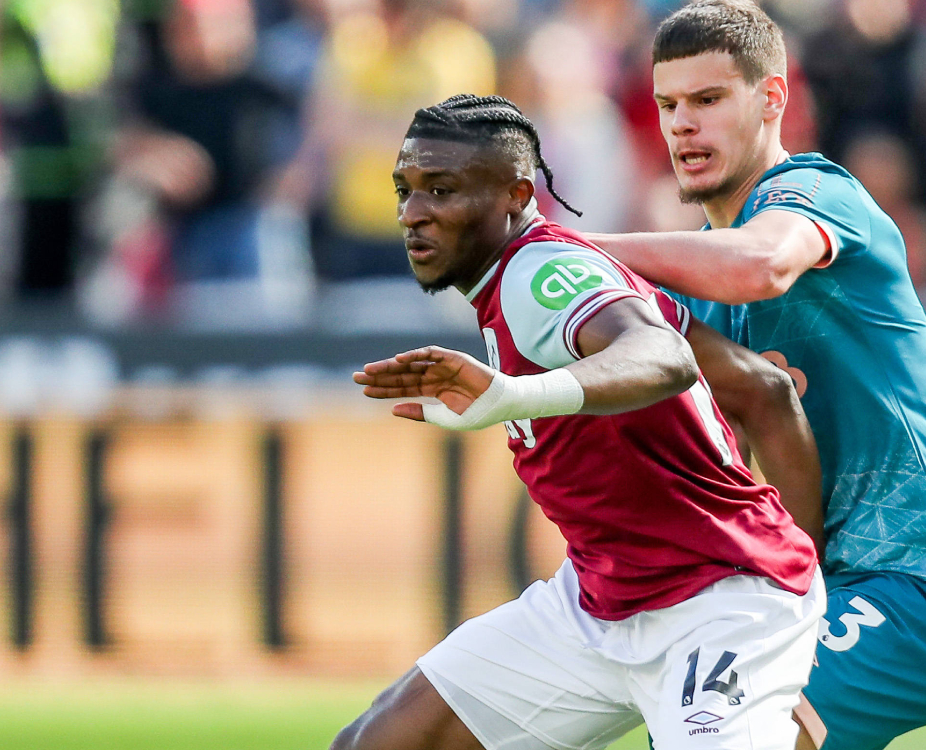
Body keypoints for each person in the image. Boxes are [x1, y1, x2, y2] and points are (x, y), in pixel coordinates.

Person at [587, 0, 926, 750]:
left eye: (708, 99)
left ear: (773, 99)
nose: (682, 124)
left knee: (728, 737)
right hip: (823, 586)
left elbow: (761, 263)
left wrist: (572, 247)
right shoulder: (698, 285)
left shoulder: (818, 194)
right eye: (668, 105)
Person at [340, 94, 826, 750]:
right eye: (406, 190)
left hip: (717, 603)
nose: (412, 213)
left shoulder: (538, 272)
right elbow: (764, 389)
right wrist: (806, 594)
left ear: (516, 195)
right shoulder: (534, 273)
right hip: (600, 601)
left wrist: (516, 396)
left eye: (442, 190)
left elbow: (662, 357)